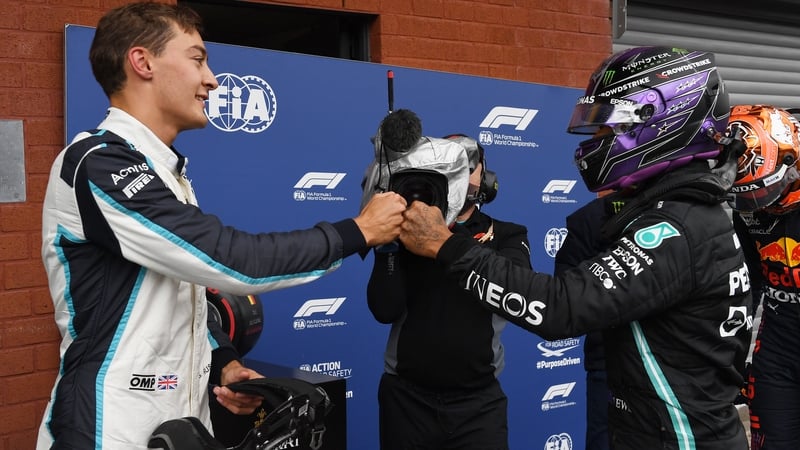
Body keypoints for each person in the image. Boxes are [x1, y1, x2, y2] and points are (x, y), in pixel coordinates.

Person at [38, 3, 406, 449]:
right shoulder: (97, 163)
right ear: (142, 62)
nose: (211, 78)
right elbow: (232, 261)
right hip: (108, 430)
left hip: (183, 426)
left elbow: (180, 292)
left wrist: (224, 362)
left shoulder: (165, 172)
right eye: (197, 59)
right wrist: (358, 231)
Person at [397, 46, 753, 450]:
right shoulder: (687, 211)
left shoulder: (677, 226)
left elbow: (560, 308)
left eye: (606, 127)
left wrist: (444, 245)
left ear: (656, 119)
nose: (596, 140)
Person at [366, 134, 532, 450]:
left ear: (486, 175)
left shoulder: (508, 233)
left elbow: (516, 290)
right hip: (406, 399)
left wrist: (444, 237)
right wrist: (387, 247)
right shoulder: (405, 233)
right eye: (448, 165)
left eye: (469, 166)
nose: (459, 174)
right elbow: (383, 309)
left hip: (479, 403)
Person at [726, 104, 800, 450]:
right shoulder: (750, 208)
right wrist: (732, 346)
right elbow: (748, 281)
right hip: (777, 350)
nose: (759, 202)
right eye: (749, 194)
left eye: (763, 190)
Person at [554, 193, 624, 450]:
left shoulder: (678, 212)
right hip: (607, 364)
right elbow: (565, 297)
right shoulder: (590, 218)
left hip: (670, 366)